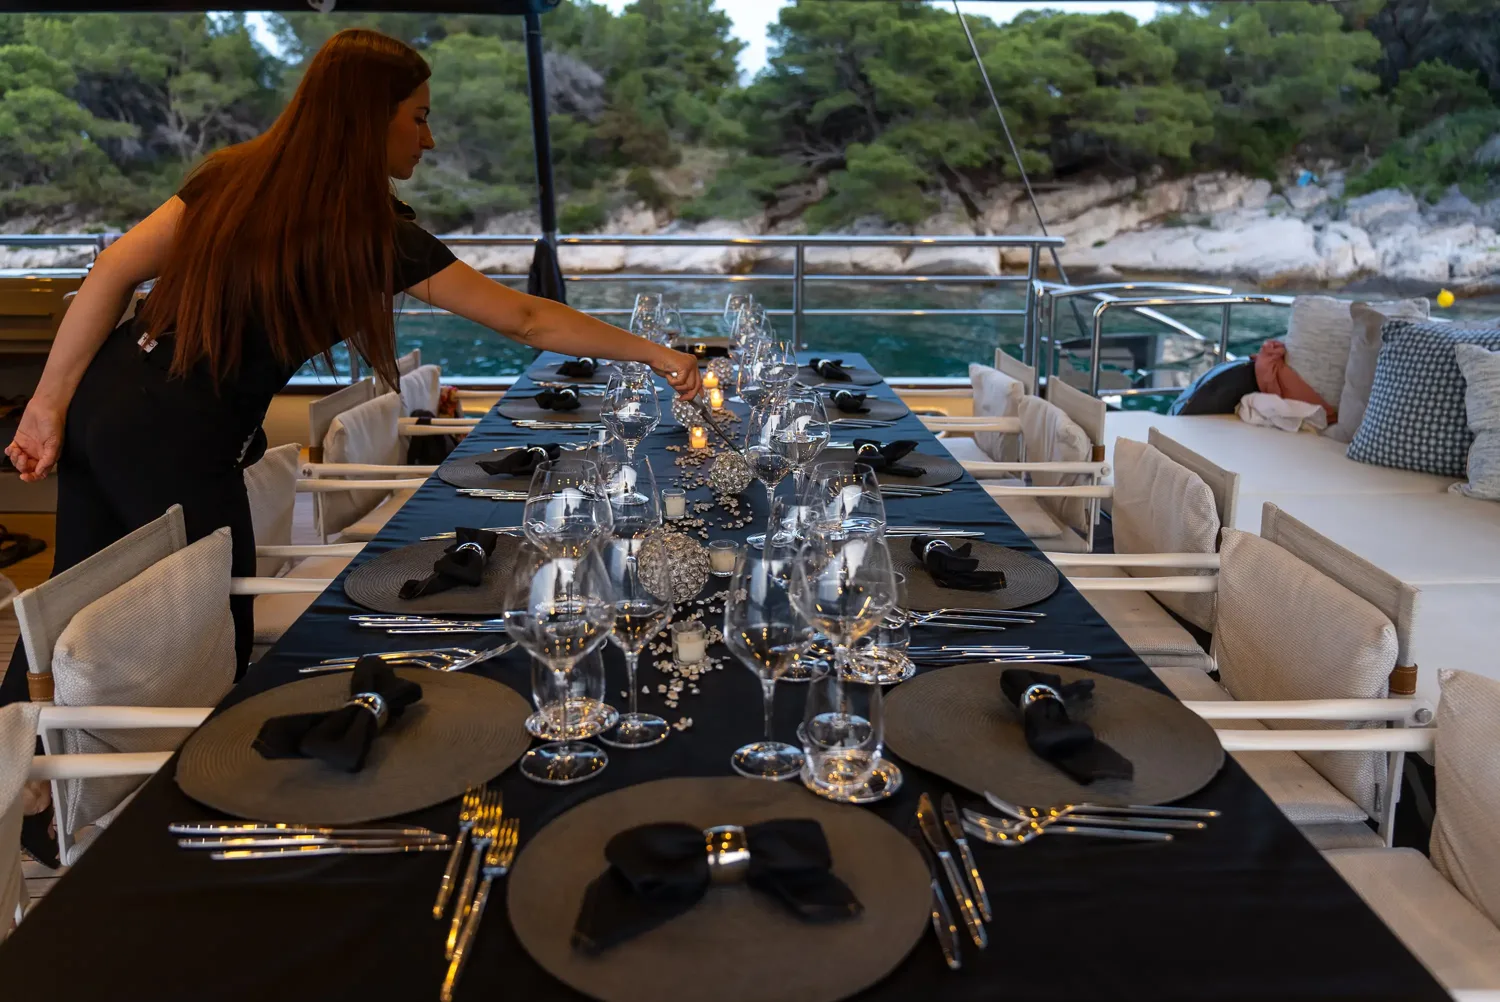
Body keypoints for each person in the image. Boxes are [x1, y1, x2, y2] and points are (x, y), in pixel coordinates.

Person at [1, 28, 701, 702]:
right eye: (418, 118)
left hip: (107, 399)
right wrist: (660, 356)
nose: (428, 138)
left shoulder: (231, 177)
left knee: (66, 608)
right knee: (212, 643)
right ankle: (163, 771)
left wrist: (49, 405)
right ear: (370, 118)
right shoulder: (373, 236)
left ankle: (21, 762)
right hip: (177, 438)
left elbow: (112, 270)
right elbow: (526, 319)